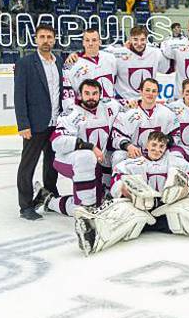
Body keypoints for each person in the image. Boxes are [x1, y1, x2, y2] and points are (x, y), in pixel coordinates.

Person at [75, 132, 189, 256]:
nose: (157, 149)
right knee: (123, 209)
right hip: (141, 210)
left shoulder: (177, 163)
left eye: (161, 147)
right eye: (153, 145)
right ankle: (93, 234)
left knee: (186, 207)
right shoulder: (130, 164)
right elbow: (116, 185)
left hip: (166, 211)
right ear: (146, 144)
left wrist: (181, 191)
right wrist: (129, 193)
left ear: (165, 148)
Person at [34, 80, 120, 217]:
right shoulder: (71, 113)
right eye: (87, 93)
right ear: (80, 95)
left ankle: (46, 199)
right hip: (68, 159)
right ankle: (87, 210)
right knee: (86, 156)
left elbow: (130, 107)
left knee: (100, 202)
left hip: (96, 162)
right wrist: (90, 147)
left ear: (100, 94)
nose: (91, 97)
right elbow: (57, 142)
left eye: (94, 93)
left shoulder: (110, 107)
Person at [13, 25, 63, 220]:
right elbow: (19, 96)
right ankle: (25, 206)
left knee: (52, 164)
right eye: (42, 37)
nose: (46, 40)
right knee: (28, 165)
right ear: (36, 39)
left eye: (49, 37)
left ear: (54, 39)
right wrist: (23, 124)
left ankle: (50, 196)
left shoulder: (59, 61)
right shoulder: (25, 63)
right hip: (34, 125)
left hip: (55, 123)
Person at [110, 77, 178, 167]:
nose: (150, 93)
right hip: (136, 153)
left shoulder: (167, 113)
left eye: (154, 91)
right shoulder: (128, 113)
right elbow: (117, 136)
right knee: (118, 156)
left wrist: (164, 143)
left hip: (159, 152)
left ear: (158, 93)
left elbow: (177, 134)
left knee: (177, 155)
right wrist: (128, 146)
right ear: (141, 91)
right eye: (147, 90)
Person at [99, 26, 171, 101]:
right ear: (130, 39)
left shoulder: (155, 52)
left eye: (142, 40)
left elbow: (168, 69)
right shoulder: (118, 52)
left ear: (146, 40)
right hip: (124, 100)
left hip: (146, 101)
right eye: (135, 39)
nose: (139, 43)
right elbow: (99, 55)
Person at [61, 28, 118, 111]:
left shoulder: (110, 57)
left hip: (110, 109)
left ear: (100, 42)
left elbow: (126, 52)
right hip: (87, 112)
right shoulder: (72, 65)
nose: (90, 43)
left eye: (94, 40)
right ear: (83, 42)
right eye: (87, 40)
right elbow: (67, 96)